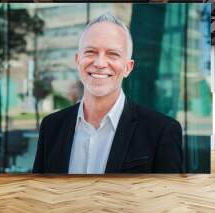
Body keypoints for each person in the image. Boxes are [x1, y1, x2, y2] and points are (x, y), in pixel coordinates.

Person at [33, 12, 183, 174]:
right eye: (91, 52)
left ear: (128, 67)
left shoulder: (162, 131)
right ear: (78, 61)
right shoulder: (51, 127)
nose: (100, 63)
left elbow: (168, 198)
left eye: (113, 54)